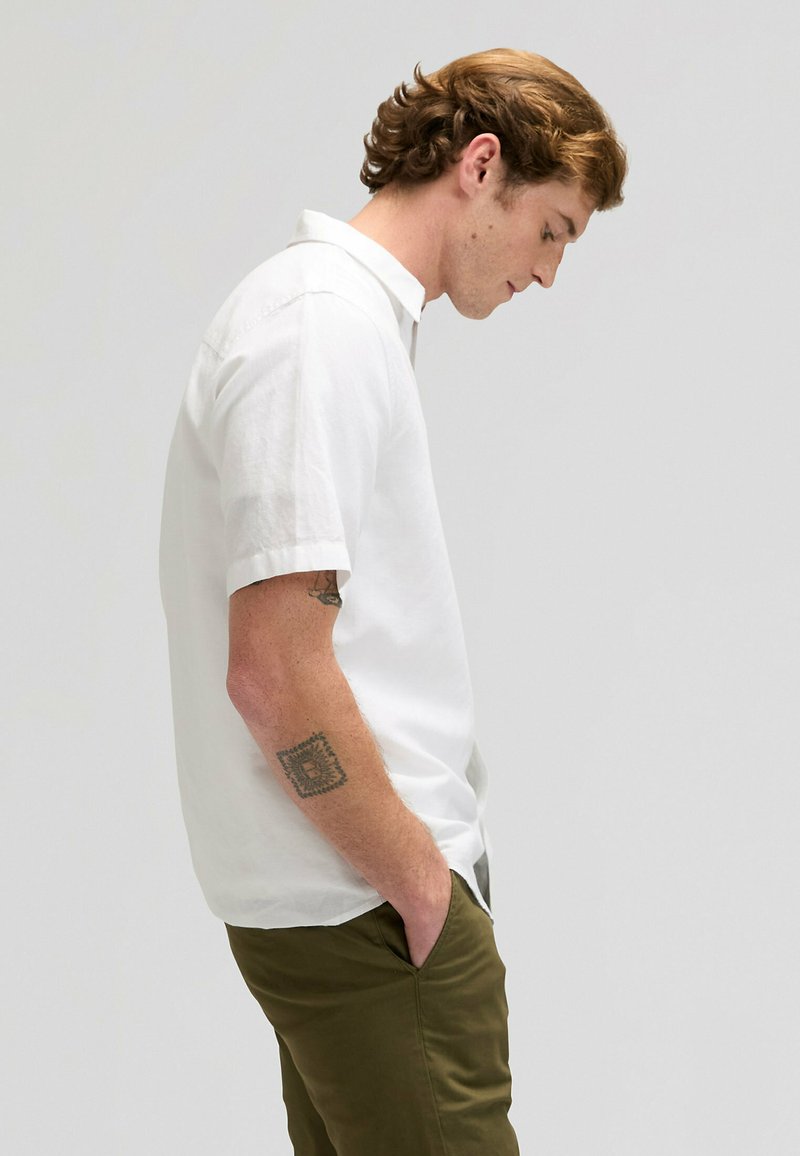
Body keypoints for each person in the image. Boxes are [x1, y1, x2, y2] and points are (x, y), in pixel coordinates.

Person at [159, 47, 626, 1155]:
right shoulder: (318, 328)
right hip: (364, 907)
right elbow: (273, 670)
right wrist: (420, 884)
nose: (547, 273)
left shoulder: (336, 321)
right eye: (552, 229)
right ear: (480, 165)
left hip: (342, 900)